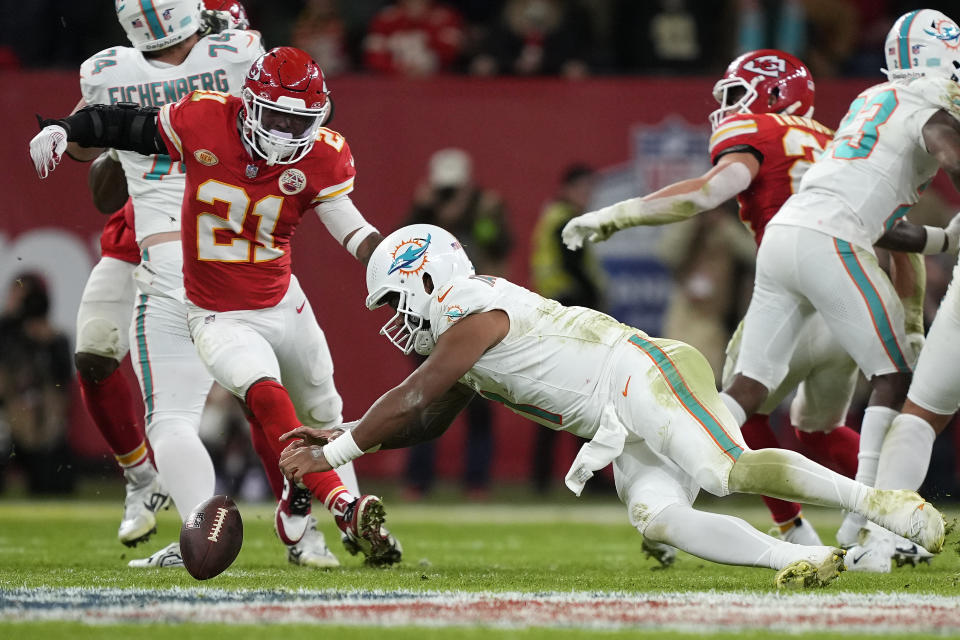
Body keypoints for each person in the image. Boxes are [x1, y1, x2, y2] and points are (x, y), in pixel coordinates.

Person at [277, 223, 946, 588]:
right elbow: (424, 416)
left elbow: (415, 392)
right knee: (658, 517)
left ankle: (879, 503)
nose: (394, 319)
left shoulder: (469, 305)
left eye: (396, 301)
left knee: (725, 472)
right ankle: (796, 561)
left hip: (640, 373)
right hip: (615, 420)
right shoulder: (462, 334)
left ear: (427, 280)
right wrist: (342, 432)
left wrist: (334, 450)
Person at [577, 8, 960, 574]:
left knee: (745, 394)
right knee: (893, 379)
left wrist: (939, 240)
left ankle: (669, 489)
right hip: (835, 251)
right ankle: (872, 526)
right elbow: (896, 200)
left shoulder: (867, 105)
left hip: (784, 244)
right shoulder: (888, 117)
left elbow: (859, 206)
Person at [30, 45, 402, 568]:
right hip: (218, 312)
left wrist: (395, 263)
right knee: (267, 399)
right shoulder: (205, 117)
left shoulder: (323, 153)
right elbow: (128, 126)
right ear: (247, 103)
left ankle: (323, 518)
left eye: (298, 122)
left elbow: (354, 230)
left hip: (282, 298)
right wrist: (69, 128)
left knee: (325, 410)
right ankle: (341, 508)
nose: (283, 134)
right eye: (273, 116)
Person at [561, 49, 864, 548]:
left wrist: (616, 215)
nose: (725, 108)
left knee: (729, 408)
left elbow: (706, 191)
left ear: (772, 95)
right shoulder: (836, 144)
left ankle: (675, 508)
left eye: (736, 95)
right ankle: (891, 517)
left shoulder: (758, 135)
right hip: (847, 294)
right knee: (822, 426)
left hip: (790, 294)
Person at [66, 0, 263, 557]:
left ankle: (300, 517)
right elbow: (100, 181)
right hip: (141, 239)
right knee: (95, 354)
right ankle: (141, 483)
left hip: (220, 242)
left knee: (263, 381)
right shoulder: (127, 74)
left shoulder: (238, 67)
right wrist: (125, 139)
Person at [862, 8, 960, 565]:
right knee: (922, 413)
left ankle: (883, 537)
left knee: (921, 414)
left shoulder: (900, 103)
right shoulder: (934, 100)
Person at [402, 148, 512, 499]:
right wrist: (424, 210)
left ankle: (476, 481)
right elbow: (395, 253)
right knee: (422, 397)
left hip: (474, 313)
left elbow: (499, 244)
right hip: (429, 316)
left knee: (479, 402)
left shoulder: (484, 209)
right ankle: (418, 481)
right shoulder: (423, 218)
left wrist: (481, 213)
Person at [529, 163, 604, 493]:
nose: (588, 197)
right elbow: (576, 272)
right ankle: (586, 476)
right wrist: (597, 305)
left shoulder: (553, 218)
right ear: (570, 188)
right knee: (585, 397)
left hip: (556, 317)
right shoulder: (565, 221)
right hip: (570, 318)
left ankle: (543, 478)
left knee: (553, 398)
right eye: (584, 189)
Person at [0, 274, 74, 495]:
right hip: (8, 416)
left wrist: (46, 343)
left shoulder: (56, 339)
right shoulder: (5, 333)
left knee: (54, 472)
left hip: (44, 423)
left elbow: (62, 385)